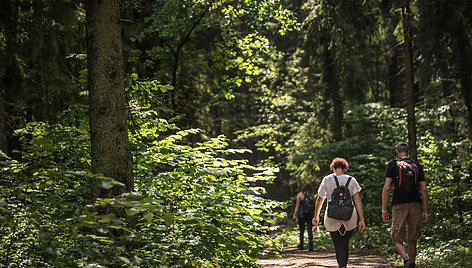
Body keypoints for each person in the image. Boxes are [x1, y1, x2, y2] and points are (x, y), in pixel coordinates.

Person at [312, 158, 365, 268]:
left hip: (332, 216)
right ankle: (343, 265)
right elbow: (357, 200)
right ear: (345, 168)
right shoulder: (352, 179)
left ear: (333, 168)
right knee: (345, 243)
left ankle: (342, 266)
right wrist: (362, 220)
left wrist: (317, 215)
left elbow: (320, 199)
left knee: (338, 244)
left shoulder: (327, 179)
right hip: (350, 216)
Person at [382, 142, 428, 268]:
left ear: (397, 151)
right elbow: (423, 189)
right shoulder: (417, 165)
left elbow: (387, 188)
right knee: (412, 237)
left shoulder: (392, 164)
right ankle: (412, 263)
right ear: (408, 152)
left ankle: (406, 259)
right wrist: (425, 210)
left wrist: (384, 209)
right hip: (415, 203)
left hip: (399, 203)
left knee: (396, 238)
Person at [293, 183, 315, 251]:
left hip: (301, 214)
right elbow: (314, 206)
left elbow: (297, 206)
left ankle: (301, 244)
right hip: (310, 215)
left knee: (301, 230)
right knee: (309, 229)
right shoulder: (312, 195)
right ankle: (310, 245)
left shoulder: (300, 195)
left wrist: (294, 215)